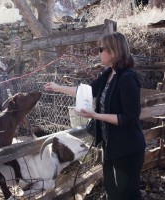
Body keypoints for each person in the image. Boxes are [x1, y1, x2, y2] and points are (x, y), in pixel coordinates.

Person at [43, 32, 146, 200]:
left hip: (128, 149)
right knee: (112, 191)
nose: (98, 53)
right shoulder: (108, 74)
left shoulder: (128, 78)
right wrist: (57, 87)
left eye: (101, 49)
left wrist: (96, 115)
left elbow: (130, 118)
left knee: (128, 194)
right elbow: (85, 92)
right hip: (110, 146)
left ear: (113, 52)